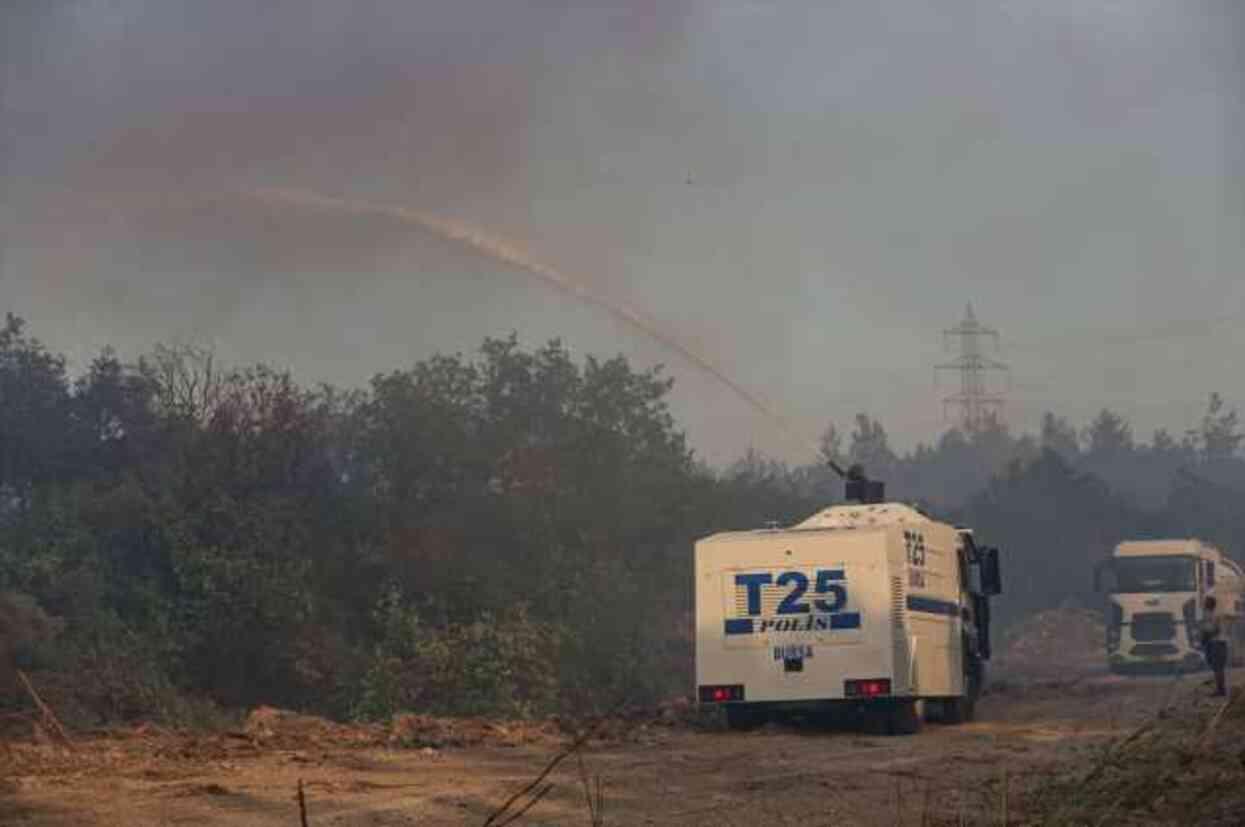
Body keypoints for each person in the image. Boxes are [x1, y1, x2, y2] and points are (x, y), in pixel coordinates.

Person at [1198, 595, 1229, 697]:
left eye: (1205, 602)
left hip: (1217, 643)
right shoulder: (1211, 614)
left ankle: (1221, 690)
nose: (1203, 604)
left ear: (1209, 604)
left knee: (1217, 667)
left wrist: (1204, 637)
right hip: (1216, 643)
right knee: (1216, 667)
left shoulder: (1214, 615)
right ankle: (1220, 689)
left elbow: (1214, 630)